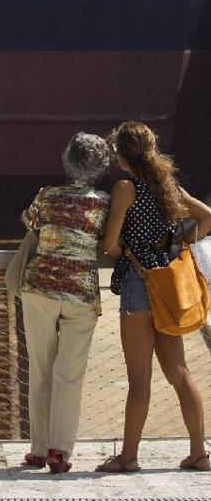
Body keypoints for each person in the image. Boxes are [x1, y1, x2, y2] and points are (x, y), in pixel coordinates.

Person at [97, 121, 211, 473]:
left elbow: (111, 244)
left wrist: (122, 253)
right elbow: (206, 217)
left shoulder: (124, 189)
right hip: (169, 282)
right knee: (180, 372)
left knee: (139, 377)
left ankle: (128, 457)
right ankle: (199, 454)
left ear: (120, 155)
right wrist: (182, 246)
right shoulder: (168, 185)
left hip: (137, 283)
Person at [18, 132, 111, 474]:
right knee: (69, 376)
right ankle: (60, 450)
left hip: (40, 287)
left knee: (40, 369)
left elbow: (30, 221)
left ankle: (38, 449)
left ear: (66, 160)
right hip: (81, 294)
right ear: (101, 168)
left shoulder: (47, 195)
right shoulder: (103, 202)